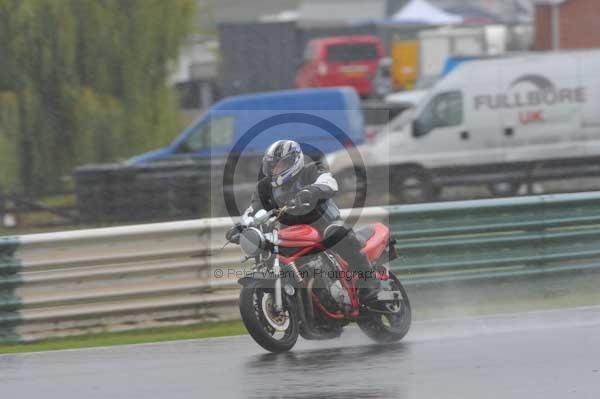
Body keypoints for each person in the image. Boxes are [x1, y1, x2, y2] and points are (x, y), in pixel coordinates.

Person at [227, 139, 380, 302]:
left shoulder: (312, 169)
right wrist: (242, 226)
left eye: (280, 164)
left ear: (295, 160)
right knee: (272, 251)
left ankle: (369, 280)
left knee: (336, 232)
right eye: (272, 166)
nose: (276, 169)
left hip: (323, 224)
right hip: (292, 231)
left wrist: (311, 191)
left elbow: (329, 182)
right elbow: (254, 209)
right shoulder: (264, 187)